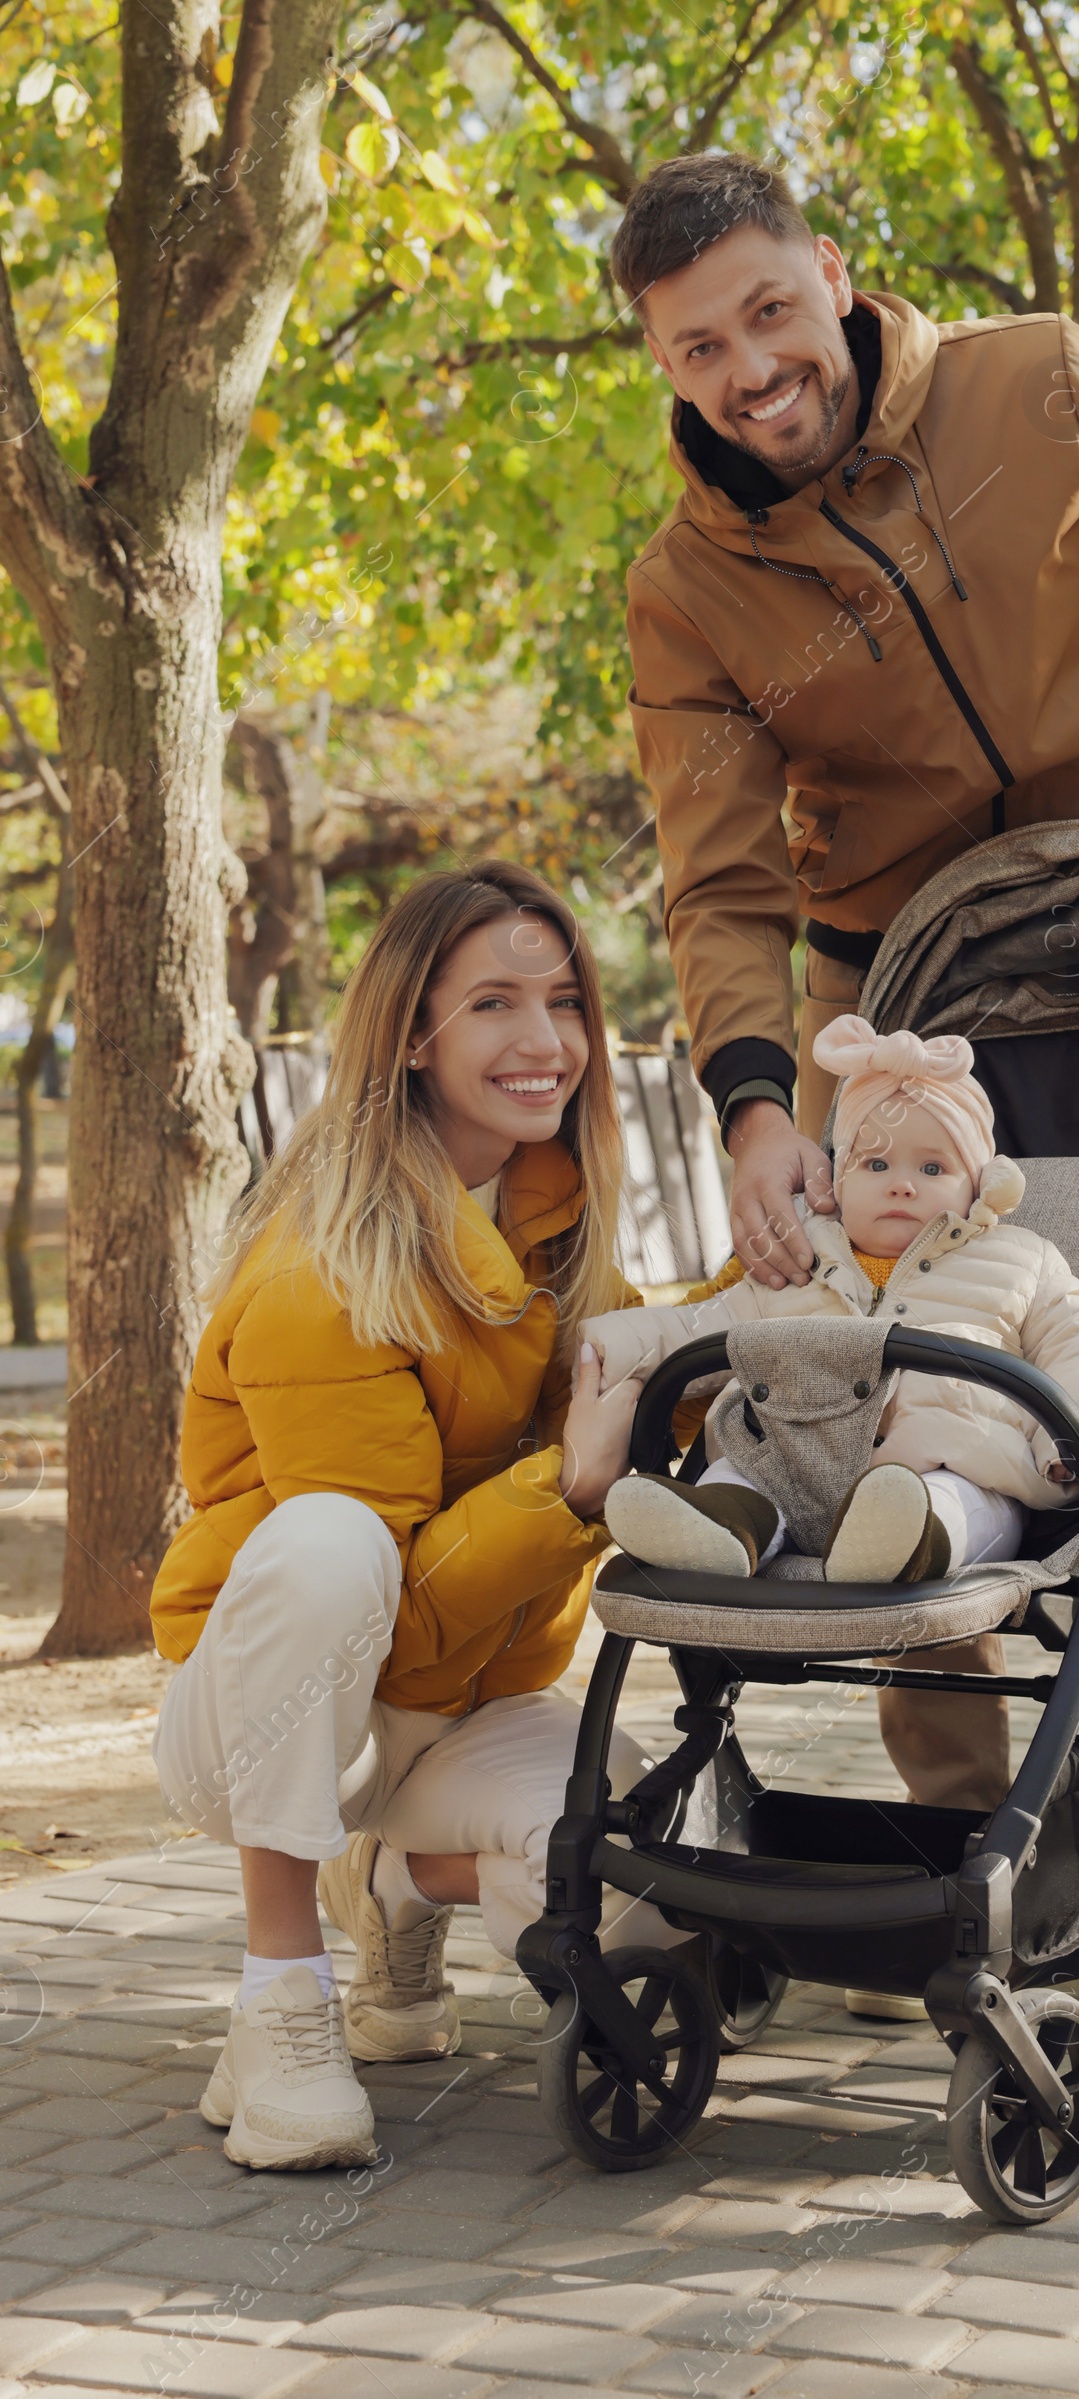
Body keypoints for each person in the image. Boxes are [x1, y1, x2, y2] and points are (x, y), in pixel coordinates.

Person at [613, 152, 1079, 2006]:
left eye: (768, 310)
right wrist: (763, 1100)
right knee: (903, 1396)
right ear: (667, 368)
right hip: (905, 997)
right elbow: (722, 874)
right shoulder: (692, 589)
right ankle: (969, 1851)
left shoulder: (1044, 385)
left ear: (830, 274)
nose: (748, 367)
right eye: (698, 347)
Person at [148, 863, 661, 2173]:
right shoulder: (328, 1256)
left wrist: (805, 1277)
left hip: (449, 1712)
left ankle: (384, 1885)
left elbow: (655, 1357)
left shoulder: (557, 1219)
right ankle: (281, 1999)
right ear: (415, 1036)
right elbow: (404, 1626)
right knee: (332, 1543)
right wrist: (578, 1485)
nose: (544, 1041)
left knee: (675, 1872)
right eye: (495, 1002)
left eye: (563, 1000)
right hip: (281, 1706)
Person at [587, 1016, 1079, 1586]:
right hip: (787, 1459)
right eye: (875, 1164)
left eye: (932, 1168)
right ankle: (719, 1529)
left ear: (979, 1184)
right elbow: (703, 1327)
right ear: (837, 1182)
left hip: (950, 1459)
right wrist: (611, 1344)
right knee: (735, 1475)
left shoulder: (1020, 1260)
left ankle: (903, 1540)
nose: (901, 1184)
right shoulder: (801, 1257)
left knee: (952, 1503)